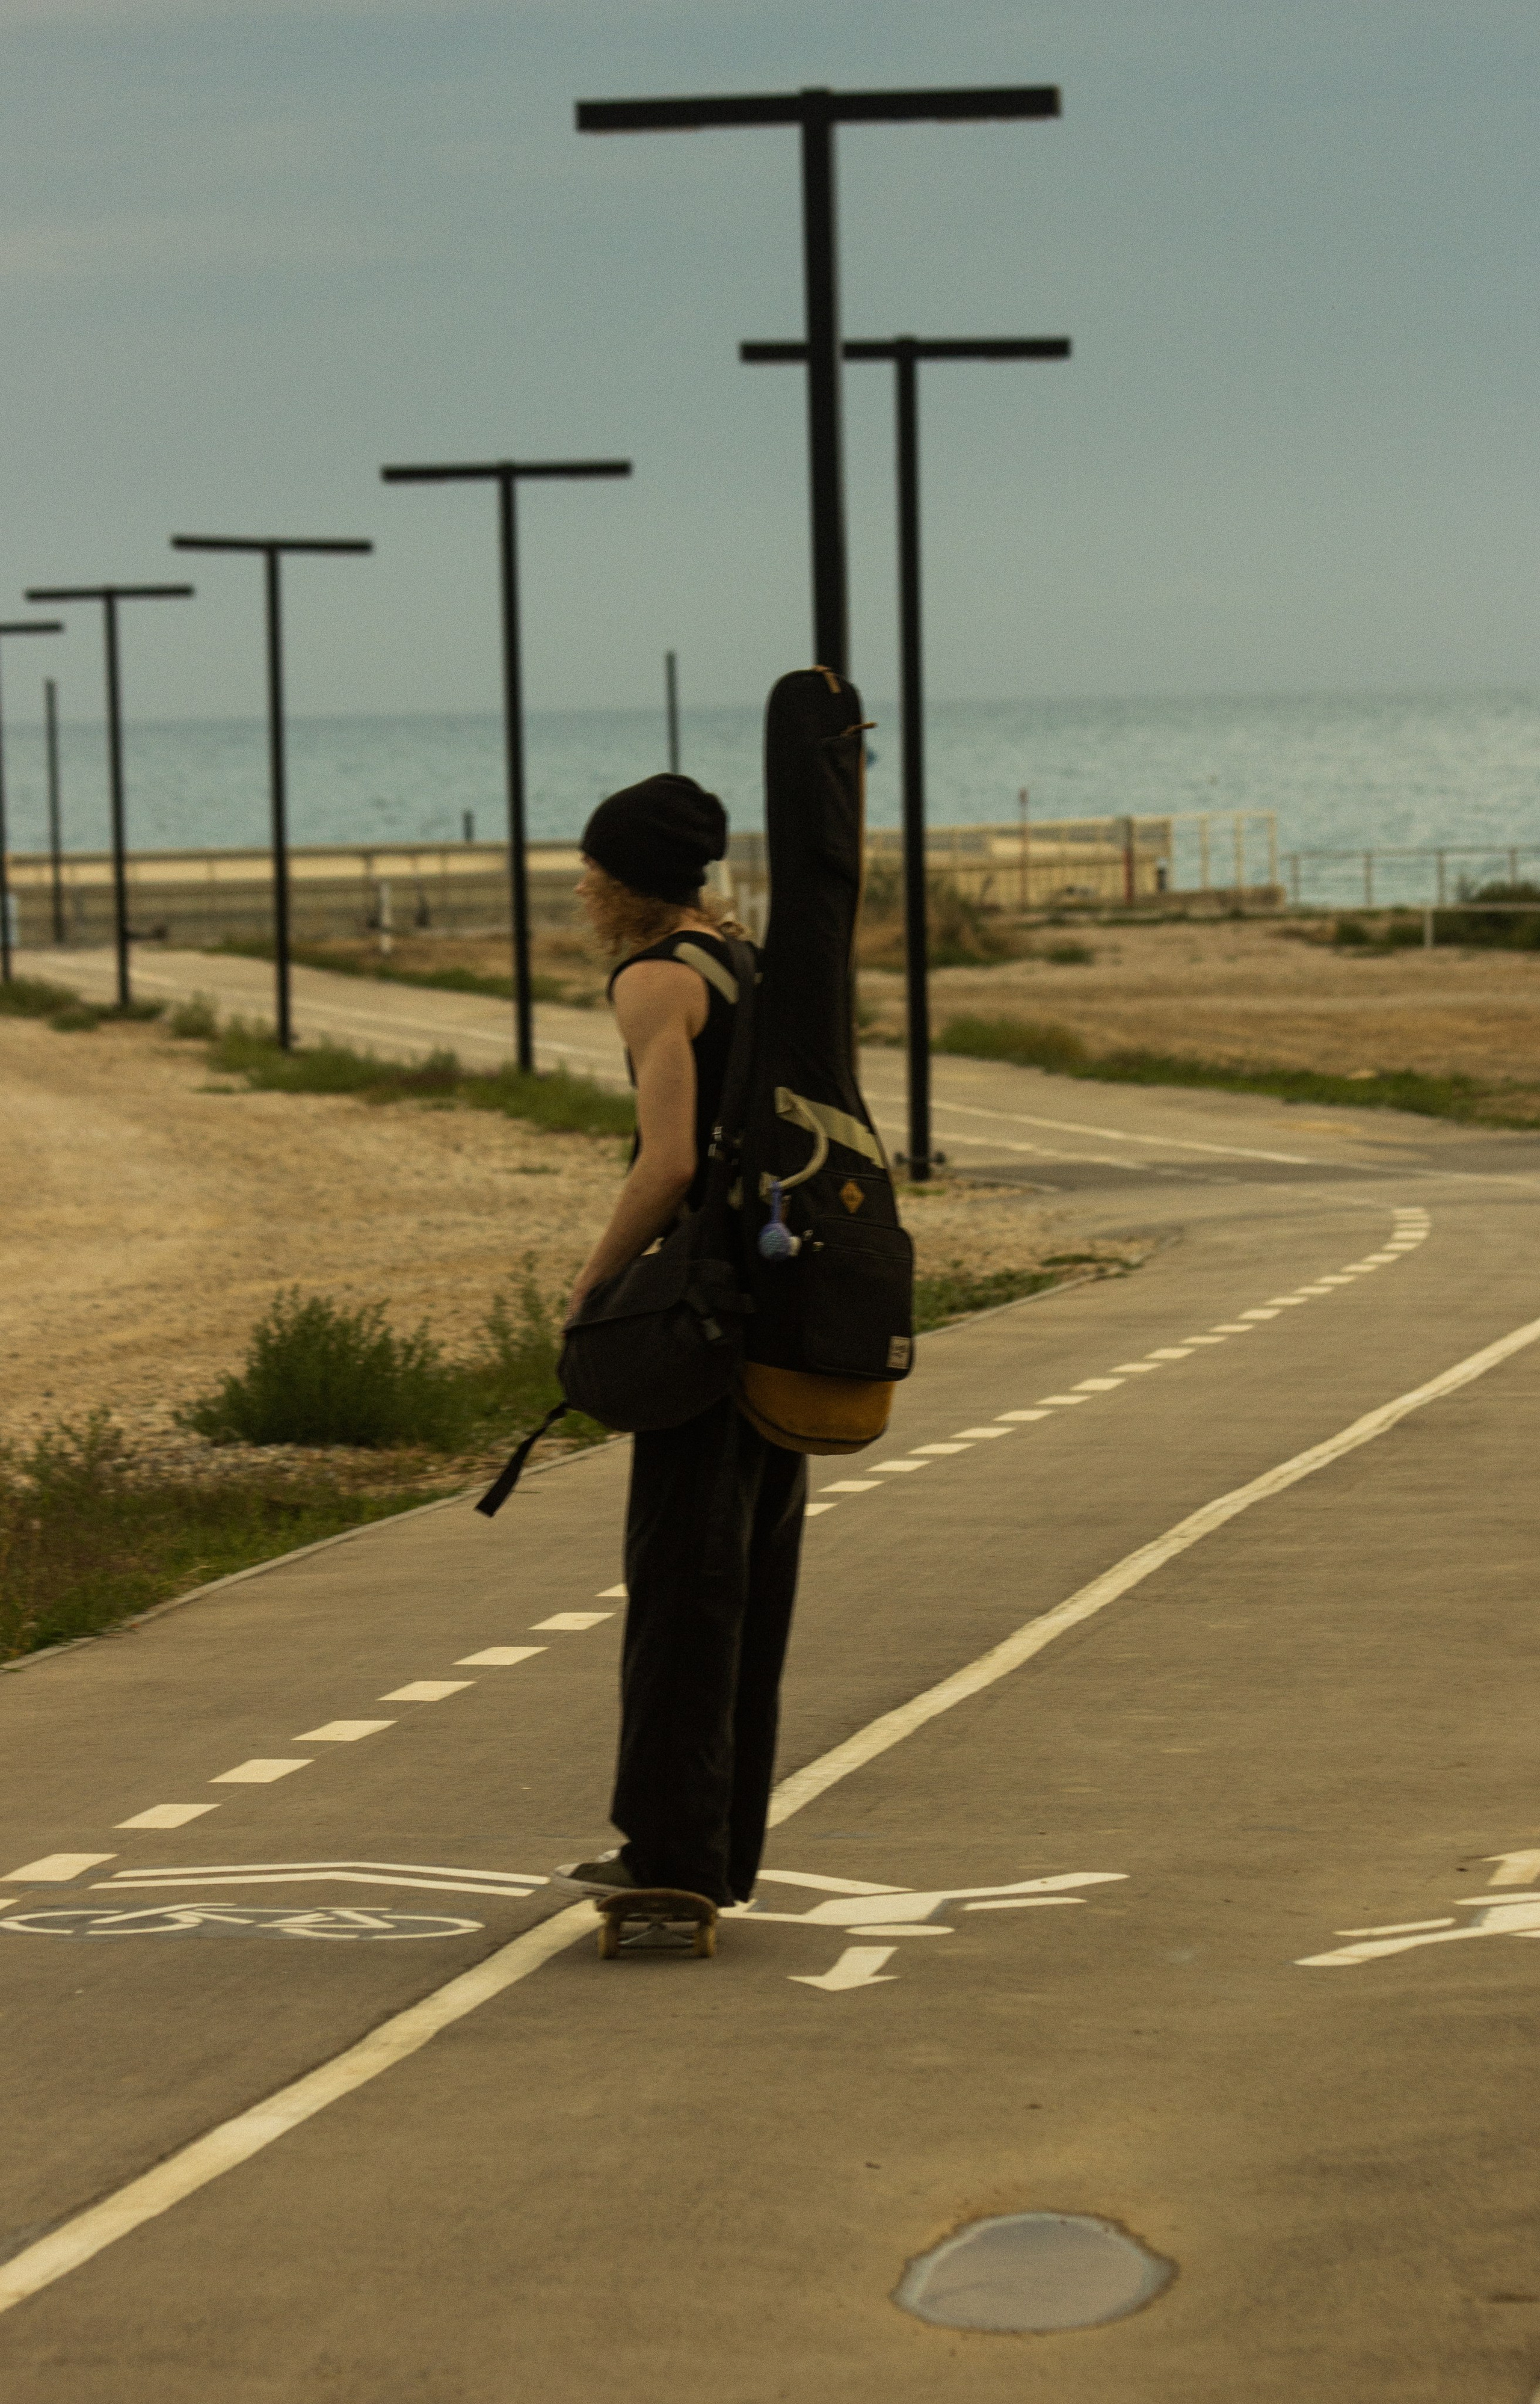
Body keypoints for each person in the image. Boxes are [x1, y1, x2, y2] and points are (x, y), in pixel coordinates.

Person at [553, 773, 807, 1909]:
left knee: (680, 1591)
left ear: (626, 881)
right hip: (782, 1308)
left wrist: (593, 1287)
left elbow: (668, 1165)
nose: (579, 886)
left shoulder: (658, 981)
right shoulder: (744, 962)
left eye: (590, 869)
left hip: (704, 1322)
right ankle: (714, 1850)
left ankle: (668, 1857)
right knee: (748, 1589)